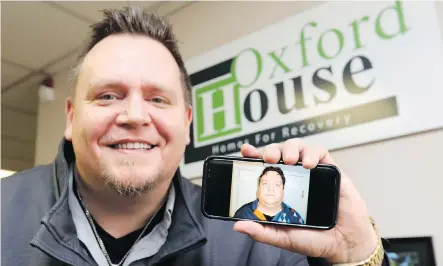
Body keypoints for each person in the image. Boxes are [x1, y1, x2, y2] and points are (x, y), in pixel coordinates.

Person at [1, 6, 390, 266]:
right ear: (71, 118)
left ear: (186, 124)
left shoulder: (262, 244)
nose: (135, 115)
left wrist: (357, 254)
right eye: (107, 96)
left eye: (157, 98)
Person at [234, 166, 305, 224]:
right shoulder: (243, 213)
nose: (270, 189)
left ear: (283, 190)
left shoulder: (295, 218)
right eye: (265, 183)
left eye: (277, 185)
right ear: (258, 189)